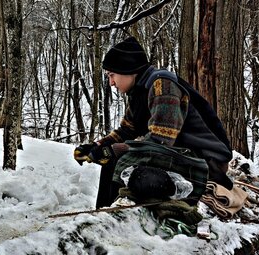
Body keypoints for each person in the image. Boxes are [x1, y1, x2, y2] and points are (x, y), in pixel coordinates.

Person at [74, 36, 233, 208]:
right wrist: (97, 146)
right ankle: (105, 214)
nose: (111, 82)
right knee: (115, 160)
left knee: (121, 161)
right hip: (182, 154)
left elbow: (162, 139)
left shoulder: (162, 86)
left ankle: (110, 215)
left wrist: (112, 151)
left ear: (128, 69)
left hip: (206, 161)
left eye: (112, 75)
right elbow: (127, 130)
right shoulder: (139, 91)